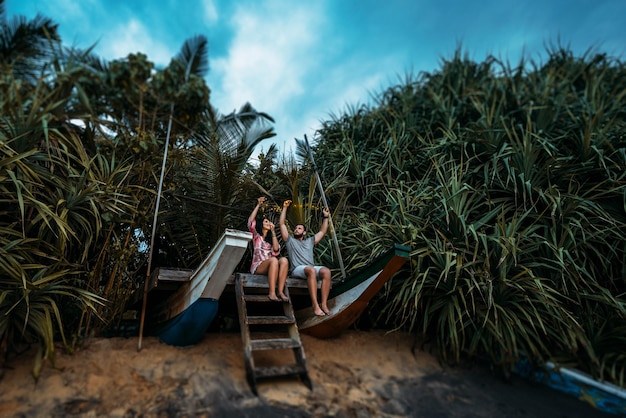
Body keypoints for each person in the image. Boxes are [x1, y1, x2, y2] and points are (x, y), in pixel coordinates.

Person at [279, 199, 332, 316]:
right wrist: (285, 208)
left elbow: (323, 231)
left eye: (299, 228)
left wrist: (326, 217)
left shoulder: (310, 241)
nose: (296, 229)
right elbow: (282, 224)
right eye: (296, 228)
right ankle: (315, 305)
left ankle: (323, 304)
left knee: (326, 271)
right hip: (297, 270)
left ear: (304, 232)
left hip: (309, 269)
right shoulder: (290, 241)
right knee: (311, 270)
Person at [247, 197, 289, 302]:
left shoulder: (271, 239)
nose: (268, 223)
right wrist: (258, 204)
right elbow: (250, 222)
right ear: (261, 224)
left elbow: (275, 249)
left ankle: (280, 291)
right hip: (258, 267)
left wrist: (273, 231)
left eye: (269, 222)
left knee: (284, 260)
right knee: (274, 260)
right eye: (266, 221)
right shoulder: (257, 237)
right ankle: (272, 293)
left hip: (271, 267)